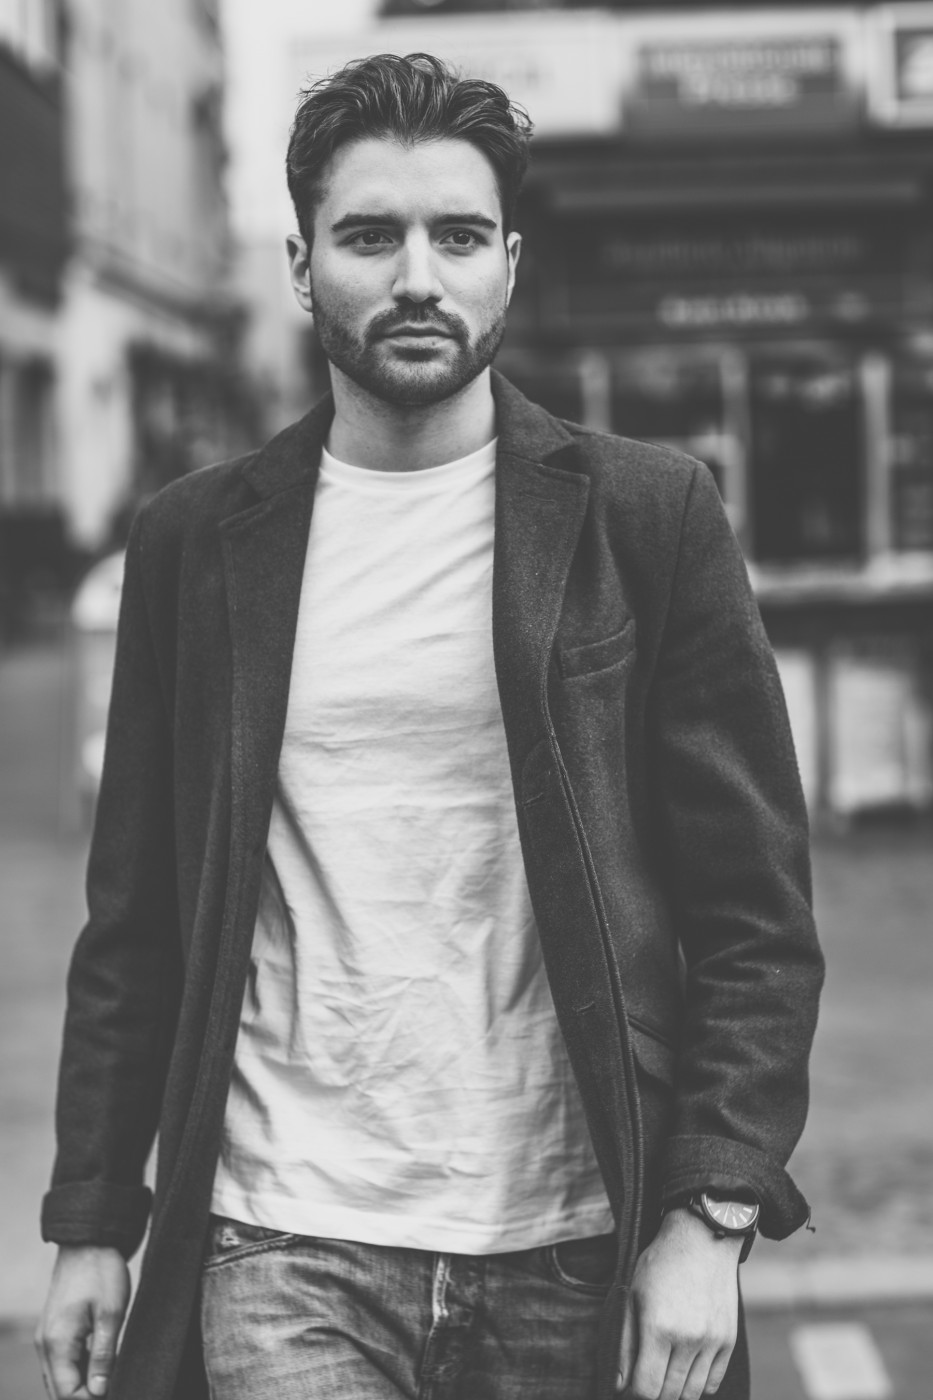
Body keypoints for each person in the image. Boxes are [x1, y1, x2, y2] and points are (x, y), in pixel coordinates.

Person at [36, 52, 823, 1400]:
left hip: (576, 1240)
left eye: (457, 236)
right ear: (301, 268)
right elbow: (135, 920)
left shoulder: (647, 519)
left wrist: (712, 1212)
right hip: (283, 1236)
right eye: (368, 236)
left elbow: (755, 917)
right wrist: (94, 1220)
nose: (417, 276)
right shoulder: (195, 544)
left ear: (507, 264)